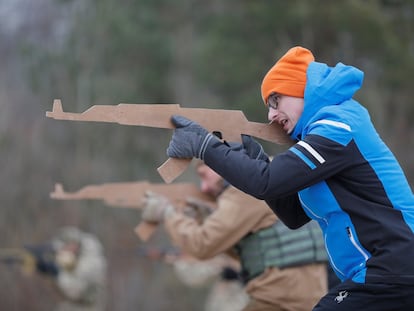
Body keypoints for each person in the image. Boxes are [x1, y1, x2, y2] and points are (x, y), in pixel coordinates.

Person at [165, 46, 414, 310]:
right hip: (385, 270)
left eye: (275, 100)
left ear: (300, 90)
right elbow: (293, 214)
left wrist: (205, 147)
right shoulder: (328, 134)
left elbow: (266, 182)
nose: (271, 115)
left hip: (392, 265)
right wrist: (255, 157)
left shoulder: (337, 125)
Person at [141, 154, 328, 310]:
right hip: (309, 298)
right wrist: (209, 218)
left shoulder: (244, 188)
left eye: (204, 175)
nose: (203, 187)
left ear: (220, 164)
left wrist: (166, 213)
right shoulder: (273, 172)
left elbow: (202, 244)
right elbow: (258, 249)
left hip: (278, 300)